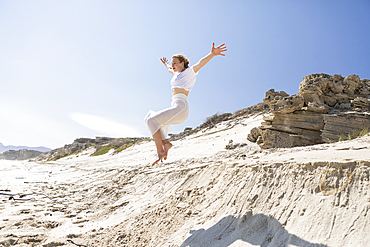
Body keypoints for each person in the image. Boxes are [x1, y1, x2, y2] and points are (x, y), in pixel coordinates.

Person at [145, 43, 227, 166]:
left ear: (182, 63)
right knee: (149, 117)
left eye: (175, 63)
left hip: (181, 107)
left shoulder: (189, 72)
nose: (173, 66)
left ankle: (160, 152)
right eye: (172, 64)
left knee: (152, 121)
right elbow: (169, 69)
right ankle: (165, 143)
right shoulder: (176, 74)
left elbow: (200, 63)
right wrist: (166, 64)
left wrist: (212, 54)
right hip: (176, 106)